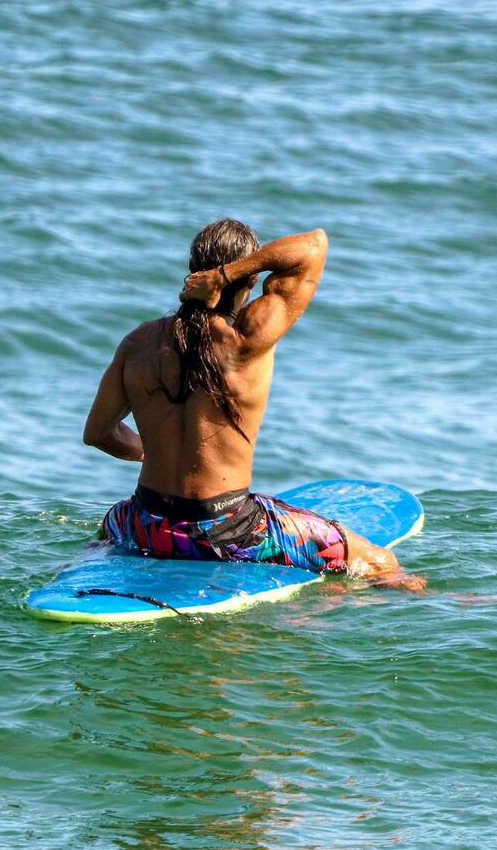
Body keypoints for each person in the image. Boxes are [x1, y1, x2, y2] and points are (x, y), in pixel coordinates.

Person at [81, 218, 421, 588]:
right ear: (250, 280)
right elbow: (314, 245)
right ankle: (438, 600)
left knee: (111, 524)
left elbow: (99, 433)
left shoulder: (138, 344)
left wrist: (152, 452)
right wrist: (229, 273)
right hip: (228, 531)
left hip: (144, 525)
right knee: (382, 563)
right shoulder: (246, 340)